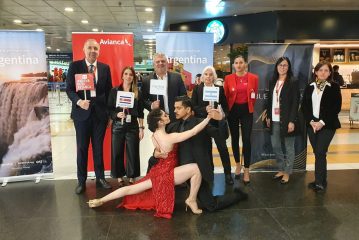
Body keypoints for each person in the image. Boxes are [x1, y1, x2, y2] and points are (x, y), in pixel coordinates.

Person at [88, 108, 218, 219]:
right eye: (165, 115)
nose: (168, 115)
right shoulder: (170, 137)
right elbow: (194, 131)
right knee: (196, 168)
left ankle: (101, 200)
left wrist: (157, 153)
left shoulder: (154, 135)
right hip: (167, 173)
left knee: (131, 189)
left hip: (158, 171)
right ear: (160, 122)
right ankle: (191, 199)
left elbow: (158, 151)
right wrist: (208, 118)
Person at [156, 96, 247, 212]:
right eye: (175, 108)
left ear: (188, 109)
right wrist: (155, 153)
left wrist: (221, 120)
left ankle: (238, 195)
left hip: (198, 173)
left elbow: (223, 136)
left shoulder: (201, 123)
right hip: (179, 171)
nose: (174, 111)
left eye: (178, 108)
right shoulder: (173, 126)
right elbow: (159, 138)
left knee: (211, 206)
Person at [66, 39, 113, 194]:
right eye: (90, 48)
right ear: (84, 50)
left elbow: (108, 92)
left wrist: (109, 114)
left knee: (98, 148)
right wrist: (79, 102)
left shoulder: (105, 68)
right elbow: (69, 90)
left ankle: (100, 178)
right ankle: (81, 180)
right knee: (82, 148)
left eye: (96, 48)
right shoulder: (75, 66)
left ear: (98, 51)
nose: (93, 51)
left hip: (100, 116)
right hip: (81, 115)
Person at [302, 61, 342, 192]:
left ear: (330, 73)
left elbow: (336, 108)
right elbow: (304, 107)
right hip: (312, 125)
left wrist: (322, 122)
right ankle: (321, 180)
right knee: (319, 153)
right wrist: (311, 121)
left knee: (319, 152)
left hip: (328, 125)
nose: (323, 72)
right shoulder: (310, 86)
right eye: (320, 70)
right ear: (316, 72)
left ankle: (319, 183)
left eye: (326, 70)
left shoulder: (334, 87)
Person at [191, 66, 233, 185]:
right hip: (203, 123)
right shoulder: (197, 89)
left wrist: (221, 114)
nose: (208, 77)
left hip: (217, 123)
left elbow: (225, 106)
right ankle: (210, 173)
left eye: (210, 74)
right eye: (206, 74)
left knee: (223, 149)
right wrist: (204, 109)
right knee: (207, 150)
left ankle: (228, 173)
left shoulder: (219, 89)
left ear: (214, 77)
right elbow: (193, 107)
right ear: (202, 77)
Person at [224, 55, 258, 184]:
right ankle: (238, 164)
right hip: (233, 111)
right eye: (236, 63)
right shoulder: (228, 78)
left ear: (245, 64)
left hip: (246, 111)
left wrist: (248, 106)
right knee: (234, 138)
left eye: (241, 62)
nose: (238, 65)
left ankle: (247, 169)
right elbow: (226, 96)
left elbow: (253, 96)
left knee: (246, 140)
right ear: (233, 65)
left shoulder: (254, 78)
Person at [107, 67, 144, 186]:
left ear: (134, 77)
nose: (128, 76)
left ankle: (132, 176)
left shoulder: (137, 92)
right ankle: (119, 176)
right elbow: (109, 109)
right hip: (118, 125)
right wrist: (116, 114)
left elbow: (141, 112)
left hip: (132, 125)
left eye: (131, 75)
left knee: (133, 151)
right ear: (122, 76)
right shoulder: (114, 91)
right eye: (126, 74)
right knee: (117, 151)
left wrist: (141, 128)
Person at [266, 57, 300, 184]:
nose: (283, 67)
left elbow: (295, 102)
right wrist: (269, 116)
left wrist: (292, 121)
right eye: (280, 65)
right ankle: (281, 168)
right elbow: (269, 101)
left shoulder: (293, 81)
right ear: (276, 67)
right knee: (275, 145)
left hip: (287, 120)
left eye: (285, 65)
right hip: (274, 119)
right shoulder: (272, 80)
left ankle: (287, 172)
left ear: (289, 67)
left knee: (289, 147)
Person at [141, 53, 187, 122]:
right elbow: (143, 100)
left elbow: (184, 96)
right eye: (157, 61)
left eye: (163, 61)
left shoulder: (177, 77)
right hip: (157, 120)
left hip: (176, 118)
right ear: (153, 65)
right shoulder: (147, 80)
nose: (160, 63)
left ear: (167, 63)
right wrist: (151, 105)